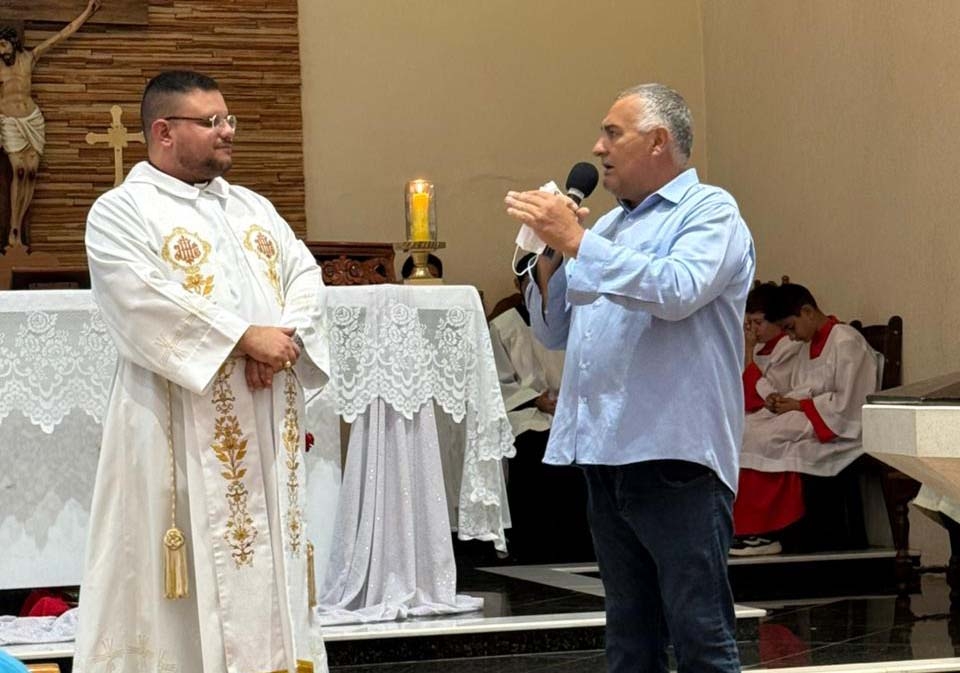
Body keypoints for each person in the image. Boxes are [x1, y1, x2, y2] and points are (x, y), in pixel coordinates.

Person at [74, 71, 330, 673]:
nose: (227, 131)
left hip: (264, 417)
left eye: (228, 119)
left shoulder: (252, 207)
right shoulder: (121, 212)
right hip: (174, 426)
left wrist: (281, 340)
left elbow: (305, 276)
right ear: (164, 132)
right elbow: (141, 298)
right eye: (210, 121)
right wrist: (244, 339)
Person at [504, 83, 754, 673]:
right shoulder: (610, 229)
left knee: (700, 634)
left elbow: (678, 290)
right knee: (630, 637)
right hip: (605, 452)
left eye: (612, 133)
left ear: (659, 141)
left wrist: (577, 241)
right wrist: (549, 257)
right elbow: (554, 330)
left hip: (675, 453)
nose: (598, 147)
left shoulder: (711, 211)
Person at [738, 283, 878, 554]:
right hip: (813, 415)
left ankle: (769, 528)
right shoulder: (808, 344)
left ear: (807, 312)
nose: (791, 337)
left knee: (762, 436)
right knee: (748, 427)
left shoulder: (845, 341)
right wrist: (785, 402)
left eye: (790, 327)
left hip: (840, 425)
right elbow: (804, 388)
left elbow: (849, 403)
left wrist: (799, 405)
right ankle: (756, 527)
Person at [490, 254, 593, 563]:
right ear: (518, 284)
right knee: (535, 448)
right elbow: (497, 381)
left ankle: (582, 543)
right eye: (531, 284)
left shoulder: (571, 321)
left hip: (570, 409)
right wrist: (535, 399)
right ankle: (535, 544)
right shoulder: (503, 326)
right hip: (525, 411)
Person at [0, 0, 101, 251]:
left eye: (3, 45)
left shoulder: (29, 57)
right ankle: (13, 229)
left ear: (13, 43)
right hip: (10, 121)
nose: (1, 51)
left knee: (31, 173)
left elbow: (62, 35)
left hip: (32, 119)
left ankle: (19, 229)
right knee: (19, 171)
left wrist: (87, 12)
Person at [732, 281, 803, 556]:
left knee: (750, 436)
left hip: (780, 411)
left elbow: (764, 394)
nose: (752, 330)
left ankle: (760, 529)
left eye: (758, 323)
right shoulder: (759, 347)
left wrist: (748, 353)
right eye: (748, 323)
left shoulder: (788, 347)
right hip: (763, 413)